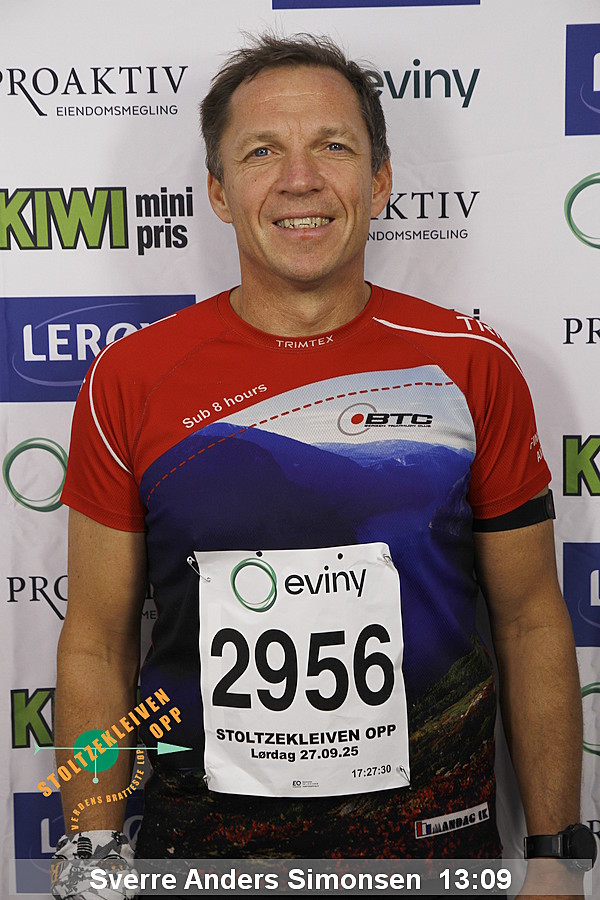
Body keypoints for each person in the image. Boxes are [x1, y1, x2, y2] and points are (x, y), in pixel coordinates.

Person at [52, 32, 592, 898]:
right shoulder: (132, 378)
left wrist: (558, 851)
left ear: (379, 181)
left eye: (333, 147)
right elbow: (96, 640)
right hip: (206, 855)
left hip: (433, 850)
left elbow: (530, 620)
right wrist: (91, 857)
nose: (299, 179)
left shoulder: (471, 365)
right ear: (219, 192)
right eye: (262, 151)